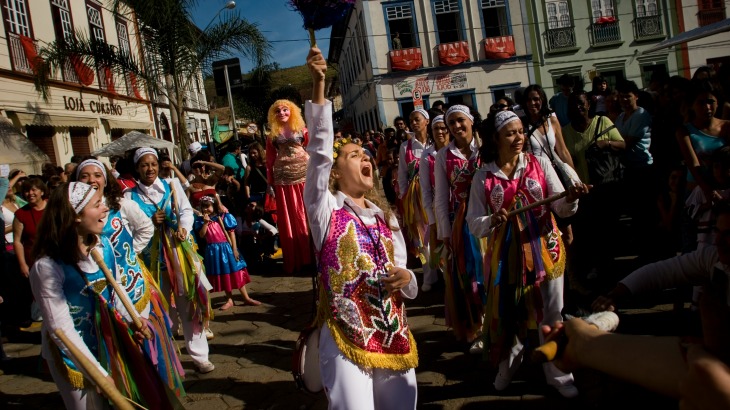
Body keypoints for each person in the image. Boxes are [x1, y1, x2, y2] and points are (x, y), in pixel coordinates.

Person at [304, 46, 419, 410]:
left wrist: (407, 279)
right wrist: (319, 86)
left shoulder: (387, 219)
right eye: (354, 155)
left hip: (393, 334)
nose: (365, 157)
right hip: (345, 338)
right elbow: (320, 153)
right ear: (336, 174)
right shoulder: (325, 211)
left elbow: (405, 272)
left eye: (366, 154)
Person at [467, 109, 588, 398]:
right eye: (511, 132)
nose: (519, 137)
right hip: (508, 260)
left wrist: (570, 198)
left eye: (521, 131)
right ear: (496, 139)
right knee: (513, 316)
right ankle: (507, 370)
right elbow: (474, 223)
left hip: (547, 251)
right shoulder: (483, 177)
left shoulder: (540, 163)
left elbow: (560, 207)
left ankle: (559, 376)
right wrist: (491, 221)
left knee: (552, 314)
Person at [73, 158, 185, 395]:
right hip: (99, 292)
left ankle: (158, 390)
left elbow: (145, 227)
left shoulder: (121, 204)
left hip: (132, 286)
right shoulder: (71, 214)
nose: (92, 180)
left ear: (106, 179)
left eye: (97, 175)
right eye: (85, 176)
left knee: (145, 339)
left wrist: (128, 253)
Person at [125, 147, 215, 374]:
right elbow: (129, 228)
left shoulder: (172, 186)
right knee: (160, 308)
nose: (150, 169)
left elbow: (185, 211)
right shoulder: (129, 197)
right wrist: (149, 220)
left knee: (189, 304)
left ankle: (199, 355)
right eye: (144, 165)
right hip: (151, 260)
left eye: (153, 164)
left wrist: (184, 227)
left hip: (179, 254)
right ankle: (167, 357)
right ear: (137, 168)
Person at [433, 104, 484, 348]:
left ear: (471, 121)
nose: (456, 126)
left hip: (492, 216)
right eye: (451, 122)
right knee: (469, 273)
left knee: (494, 268)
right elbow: (441, 198)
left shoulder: (487, 147)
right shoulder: (443, 155)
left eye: (460, 120)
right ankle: (478, 326)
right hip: (461, 222)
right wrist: (444, 232)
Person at [265, 98, 313, 275]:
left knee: (306, 213)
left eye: (285, 110)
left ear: (292, 111)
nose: (282, 113)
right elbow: (269, 160)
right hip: (282, 178)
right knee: (289, 216)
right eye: (278, 111)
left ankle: (312, 257)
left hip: (304, 175)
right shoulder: (271, 135)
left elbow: (313, 149)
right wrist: (270, 182)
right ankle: (296, 259)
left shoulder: (303, 130)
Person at [194, 196, 260, 311]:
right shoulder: (200, 220)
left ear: (213, 206)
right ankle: (229, 299)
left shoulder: (222, 217)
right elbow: (201, 235)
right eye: (203, 207)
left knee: (236, 272)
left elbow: (232, 234)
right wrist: (205, 223)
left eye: (208, 206)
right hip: (213, 251)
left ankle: (246, 297)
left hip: (226, 248)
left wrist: (234, 249)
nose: (205, 209)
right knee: (224, 274)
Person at [398, 108, 435, 291]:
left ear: (427, 121)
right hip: (416, 199)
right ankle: (429, 276)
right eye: (411, 120)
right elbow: (402, 176)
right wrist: (406, 199)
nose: (413, 123)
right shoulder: (406, 147)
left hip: (435, 195)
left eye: (417, 119)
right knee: (422, 239)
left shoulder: (434, 142)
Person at [677, 79, 730, 202]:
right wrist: (708, 191)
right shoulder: (684, 131)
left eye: (711, 102)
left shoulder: (727, 126)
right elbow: (694, 165)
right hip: (698, 191)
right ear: (691, 105)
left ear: (718, 102)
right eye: (701, 103)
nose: (707, 107)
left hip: (726, 190)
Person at [419, 114, 451, 291]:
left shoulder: (456, 151)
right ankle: (439, 281)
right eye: (436, 128)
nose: (440, 132)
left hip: (457, 208)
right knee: (432, 247)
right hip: (438, 210)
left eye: (443, 128)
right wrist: (431, 219)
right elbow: (425, 188)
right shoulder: (427, 155)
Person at [13, 177, 48, 324]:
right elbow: (17, 241)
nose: (30, 193)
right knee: (42, 296)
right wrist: (22, 264)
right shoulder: (21, 214)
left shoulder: (53, 207)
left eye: (34, 189)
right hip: (34, 261)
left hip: (57, 258)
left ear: (41, 191)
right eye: (26, 190)